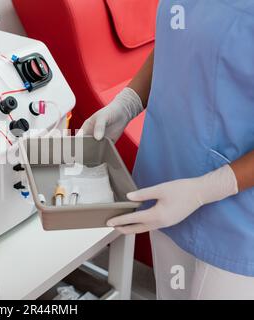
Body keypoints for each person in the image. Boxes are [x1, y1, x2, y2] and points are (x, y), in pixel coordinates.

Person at [80, 0, 254, 300]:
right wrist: (128, 103)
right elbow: (177, 39)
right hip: (166, 182)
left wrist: (203, 190)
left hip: (236, 216)